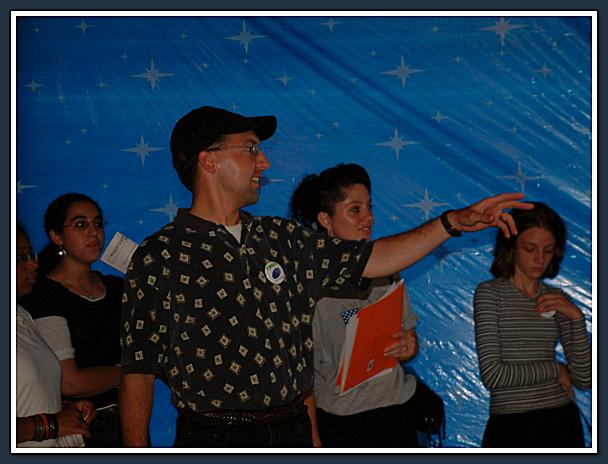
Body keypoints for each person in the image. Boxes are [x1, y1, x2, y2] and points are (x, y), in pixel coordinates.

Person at [119, 105, 532, 448]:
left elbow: (373, 259)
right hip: (214, 436)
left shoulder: (280, 238)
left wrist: (452, 222)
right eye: (251, 149)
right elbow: (138, 372)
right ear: (208, 160)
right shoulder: (160, 256)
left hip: (292, 430)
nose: (264, 162)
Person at [289, 163, 420, 447]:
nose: (368, 218)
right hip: (343, 423)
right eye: (355, 209)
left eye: (369, 207)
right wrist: (314, 440)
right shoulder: (310, 285)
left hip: (397, 412)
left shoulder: (388, 269)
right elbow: (302, 379)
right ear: (326, 220)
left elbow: (408, 337)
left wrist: (409, 345)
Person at [473, 202, 591, 447]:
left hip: (562, 422)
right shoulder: (490, 293)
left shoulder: (558, 299)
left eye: (548, 251)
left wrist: (577, 319)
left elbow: (584, 379)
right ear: (511, 246)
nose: (540, 259)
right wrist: (556, 369)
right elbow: (493, 375)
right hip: (510, 425)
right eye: (530, 248)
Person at [18, 194, 124, 448]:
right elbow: (71, 382)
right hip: (85, 428)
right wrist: (131, 371)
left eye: (97, 223)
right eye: (80, 224)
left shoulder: (117, 287)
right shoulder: (43, 296)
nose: (93, 232)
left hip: (123, 415)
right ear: (57, 236)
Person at [16, 223, 96, 447]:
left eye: (30, 254)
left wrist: (66, 411)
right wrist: (50, 424)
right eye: (21, 257)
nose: (33, 264)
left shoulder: (22, 315)